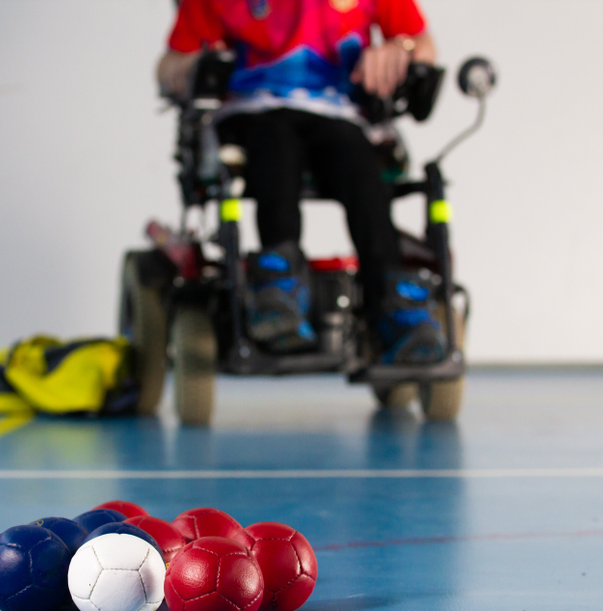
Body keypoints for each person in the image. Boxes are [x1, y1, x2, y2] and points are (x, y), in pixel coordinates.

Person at [157, 0, 446, 363]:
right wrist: (195, 68)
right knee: (276, 145)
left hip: (336, 110)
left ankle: (392, 302)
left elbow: (421, 43)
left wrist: (400, 50)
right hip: (253, 108)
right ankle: (279, 287)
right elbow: (169, 64)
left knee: (359, 164)